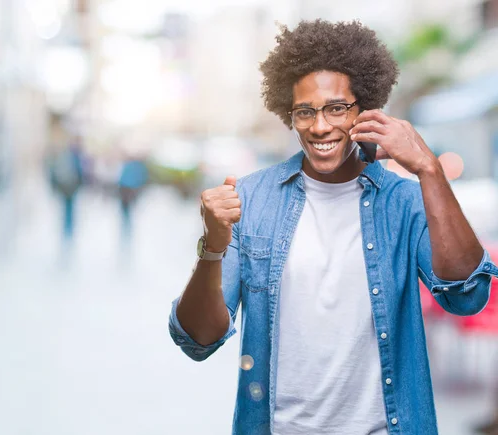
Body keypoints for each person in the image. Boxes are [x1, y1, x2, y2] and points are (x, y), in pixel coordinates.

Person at [168, 20, 498, 435]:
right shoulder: (251, 200)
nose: (320, 126)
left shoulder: (404, 202)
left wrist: (430, 170)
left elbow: (466, 296)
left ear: (364, 109)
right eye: (305, 111)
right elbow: (197, 339)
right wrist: (212, 248)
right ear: (289, 116)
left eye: (336, 108)